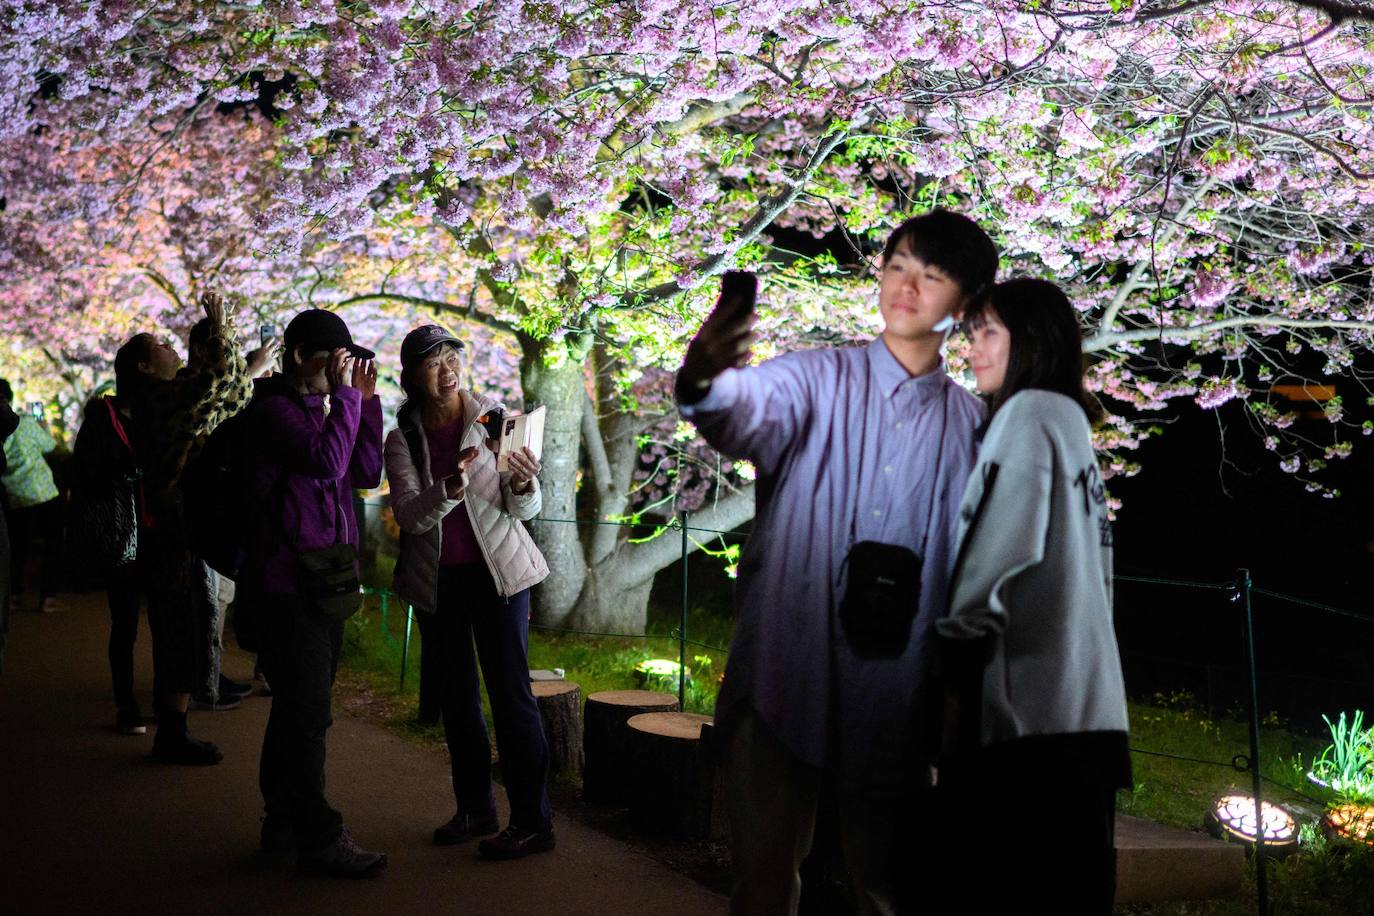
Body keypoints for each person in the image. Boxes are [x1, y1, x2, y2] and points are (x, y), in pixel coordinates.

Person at [676, 208, 999, 914]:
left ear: (966, 306)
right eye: (896, 266)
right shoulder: (817, 379)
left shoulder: (974, 431)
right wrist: (705, 379)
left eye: (932, 275)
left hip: (903, 690)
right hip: (784, 669)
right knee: (762, 882)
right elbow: (742, 407)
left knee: (886, 888)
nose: (906, 287)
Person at [935, 278, 1130, 913]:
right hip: (1090, 714)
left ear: (1033, 342)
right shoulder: (1070, 424)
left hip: (1026, 719)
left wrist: (952, 675)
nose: (972, 351)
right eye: (970, 335)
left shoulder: (1025, 417)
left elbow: (994, 555)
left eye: (988, 333)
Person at [385, 325, 553, 860]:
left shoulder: (494, 422)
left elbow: (524, 509)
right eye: (433, 362)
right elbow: (411, 517)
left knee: (511, 699)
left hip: (499, 577)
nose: (447, 369)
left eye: (452, 356)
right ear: (412, 375)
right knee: (458, 702)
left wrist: (526, 483)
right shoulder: (404, 439)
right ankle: (476, 808)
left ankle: (533, 822)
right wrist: (450, 488)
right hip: (439, 584)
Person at [241, 308, 386, 878]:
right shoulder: (274, 412)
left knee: (296, 714)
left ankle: (281, 824)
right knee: (306, 718)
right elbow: (327, 463)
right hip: (285, 589)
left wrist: (367, 403)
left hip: (322, 584)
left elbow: (365, 471)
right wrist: (347, 402)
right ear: (300, 355)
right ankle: (320, 840)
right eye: (334, 360)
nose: (341, 373)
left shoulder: (322, 410)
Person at [119, 291, 255, 764]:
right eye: (157, 344)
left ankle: (175, 726)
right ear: (143, 367)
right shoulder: (157, 400)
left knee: (187, 623)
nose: (170, 345)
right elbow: (219, 380)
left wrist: (229, 340)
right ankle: (171, 733)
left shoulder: (167, 397)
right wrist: (219, 331)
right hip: (168, 527)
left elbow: (235, 394)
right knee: (177, 625)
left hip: (182, 521)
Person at [182, 317, 279, 711]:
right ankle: (204, 681)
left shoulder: (228, 387)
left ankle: (211, 674)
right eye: (228, 348)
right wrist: (251, 374)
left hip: (226, 504)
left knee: (222, 596)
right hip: (205, 506)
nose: (236, 356)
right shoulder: (195, 387)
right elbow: (218, 415)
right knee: (209, 602)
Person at [72, 386, 145, 734]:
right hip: (124, 538)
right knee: (126, 624)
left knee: (166, 623)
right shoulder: (101, 422)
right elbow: (90, 476)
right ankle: (126, 703)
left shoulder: (162, 410)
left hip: (159, 533)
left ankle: (165, 702)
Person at [0, 380, 64, 615]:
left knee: (18, 547)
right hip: (43, 491)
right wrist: (43, 425)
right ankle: (48, 598)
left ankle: (14, 596)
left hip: (15, 496)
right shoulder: (26, 424)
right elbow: (48, 446)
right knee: (54, 544)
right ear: (10, 398)